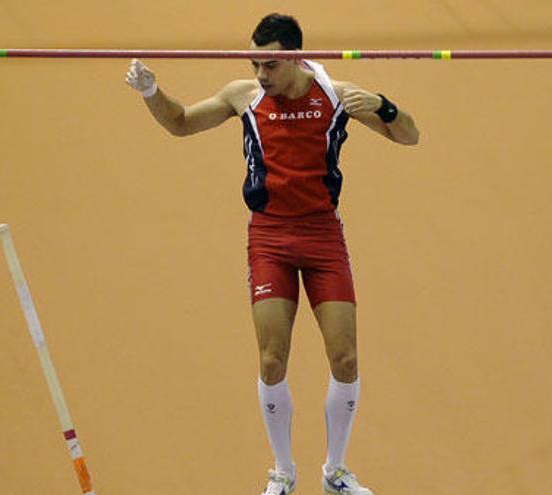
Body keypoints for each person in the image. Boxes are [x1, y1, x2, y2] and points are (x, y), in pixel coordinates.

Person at [124, 13, 419, 495]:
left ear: (296, 57)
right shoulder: (244, 96)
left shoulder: (338, 94)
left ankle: (335, 472)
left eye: (270, 65)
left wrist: (385, 107)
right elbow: (178, 124)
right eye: (255, 62)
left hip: (323, 236)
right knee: (271, 360)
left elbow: (410, 135)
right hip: (270, 238)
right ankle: (283, 472)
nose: (261, 73)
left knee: (345, 360)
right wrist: (151, 93)